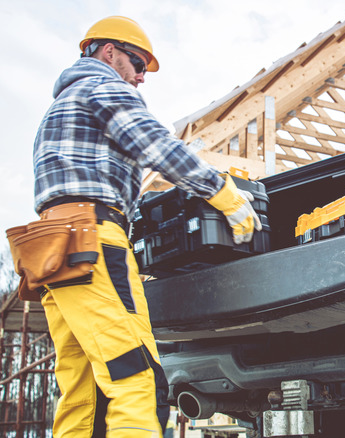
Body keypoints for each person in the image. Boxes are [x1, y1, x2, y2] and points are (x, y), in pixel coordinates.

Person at [32, 16, 261, 437]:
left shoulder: (61, 105)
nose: (140, 76)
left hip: (53, 252)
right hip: (93, 242)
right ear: (108, 52)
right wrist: (225, 195)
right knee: (136, 379)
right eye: (137, 62)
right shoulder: (104, 87)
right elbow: (159, 146)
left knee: (83, 392)